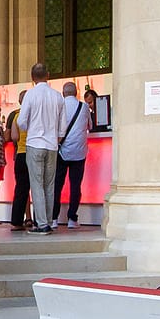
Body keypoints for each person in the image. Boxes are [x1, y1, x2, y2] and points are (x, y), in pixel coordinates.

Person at [20, 66, 67, 234]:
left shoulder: (30, 95)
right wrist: (57, 137)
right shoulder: (57, 96)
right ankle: (48, 220)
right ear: (48, 75)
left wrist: (31, 128)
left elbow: (21, 121)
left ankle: (41, 224)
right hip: (52, 145)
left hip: (34, 143)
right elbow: (63, 125)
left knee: (37, 184)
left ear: (32, 77)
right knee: (49, 184)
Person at [53, 81, 92, 229]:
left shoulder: (58, 107)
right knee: (75, 186)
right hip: (79, 152)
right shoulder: (84, 107)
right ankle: (72, 219)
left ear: (63, 93)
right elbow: (90, 126)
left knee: (57, 186)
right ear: (77, 93)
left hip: (61, 151)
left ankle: (54, 218)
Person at [7, 92, 31, 228]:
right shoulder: (35, 114)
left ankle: (16, 221)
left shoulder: (17, 116)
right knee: (38, 188)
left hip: (21, 153)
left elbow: (14, 137)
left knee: (21, 188)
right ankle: (40, 220)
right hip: (34, 152)